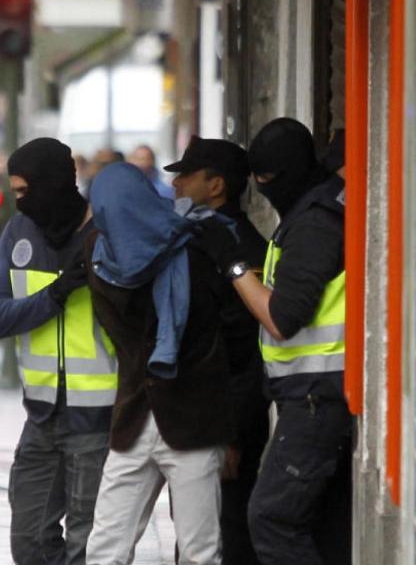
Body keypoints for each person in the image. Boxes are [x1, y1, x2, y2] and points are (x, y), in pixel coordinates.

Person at [203, 119, 349, 564]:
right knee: (323, 528)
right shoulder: (311, 211)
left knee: (271, 518)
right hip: (311, 395)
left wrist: (232, 264)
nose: (263, 189)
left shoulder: (315, 224)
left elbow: (282, 319)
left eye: (266, 179)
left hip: (317, 399)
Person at [84, 162, 232, 565]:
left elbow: (227, 337)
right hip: (134, 419)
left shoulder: (193, 248)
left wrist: (231, 428)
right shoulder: (99, 255)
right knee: (105, 548)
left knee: (200, 552)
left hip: (193, 421)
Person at [0, 138, 116, 565]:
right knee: (30, 541)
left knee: (87, 547)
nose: (20, 202)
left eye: (24, 191)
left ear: (52, 183)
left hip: (98, 419)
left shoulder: (106, 231)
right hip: (41, 416)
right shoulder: (18, 232)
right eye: (15, 192)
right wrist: (54, 296)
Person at [166, 136, 269, 565]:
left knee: (224, 531)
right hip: (200, 413)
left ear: (216, 185)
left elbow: (241, 347)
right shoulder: (201, 236)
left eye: (186, 176)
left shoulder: (232, 245)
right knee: (196, 528)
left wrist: (231, 434)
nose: (176, 185)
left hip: (224, 418)